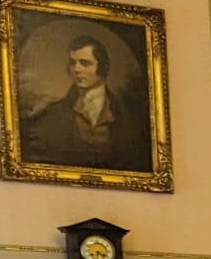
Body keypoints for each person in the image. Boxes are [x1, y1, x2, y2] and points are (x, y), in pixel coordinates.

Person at [20, 34, 150, 172]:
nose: (76, 69)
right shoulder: (52, 114)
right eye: (72, 63)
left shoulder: (128, 113)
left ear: (103, 67)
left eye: (85, 63)